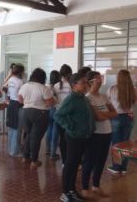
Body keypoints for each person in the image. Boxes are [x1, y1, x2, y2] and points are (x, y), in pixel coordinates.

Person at [55, 73, 95, 202]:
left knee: (75, 164)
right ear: (74, 85)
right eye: (83, 83)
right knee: (70, 165)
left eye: (86, 82)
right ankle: (65, 192)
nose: (86, 85)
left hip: (83, 136)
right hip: (74, 137)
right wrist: (70, 126)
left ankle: (72, 190)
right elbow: (58, 115)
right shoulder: (71, 99)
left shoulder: (82, 98)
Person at [82, 71, 117, 198]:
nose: (100, 81)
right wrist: (107, 115)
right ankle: (85, 188)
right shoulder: (87, 98)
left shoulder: (103, 96)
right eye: (98, 79)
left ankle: (96, 186)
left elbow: (115, 113)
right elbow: (98, 117)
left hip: (107, 132)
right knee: (90, 161)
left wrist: (105, 115)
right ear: (90, 81)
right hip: (95, 134)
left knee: (101, 160)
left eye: (101, 78)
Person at [19, 68, 55, 168]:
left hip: (25, 112)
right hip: (40, 113)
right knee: (36, 138)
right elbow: (49, 102)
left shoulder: (24, 86)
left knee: (29, 135)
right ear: (43, 77)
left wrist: (29, 102)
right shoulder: (43, 88)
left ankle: (25, 157)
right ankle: (34, 160)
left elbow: (20, 100)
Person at [107, 69, 137, 174]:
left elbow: (108, 103)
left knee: (116, 143)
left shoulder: (112, 89)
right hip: (128, 118)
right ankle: (124, 168)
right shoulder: (132, 90)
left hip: (115, 117)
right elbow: (134, 101)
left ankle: (116, 167)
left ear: (118, 78)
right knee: (125, 143)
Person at [53, 64, 73, 164]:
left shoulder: (56, 86)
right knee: (71, 138)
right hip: (70, 115)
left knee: (62, 138)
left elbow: (54, 100)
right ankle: (71, 160)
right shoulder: (72, 85)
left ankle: (64, 161)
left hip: (59, 114)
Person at [6, 64, 25, 157]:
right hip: (18, 104)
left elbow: (7, 91)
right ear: (21, 72)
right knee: (17, 128)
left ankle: (11, 149)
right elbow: (21, 97)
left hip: (11, 104)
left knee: (11, 128)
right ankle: (15, 151)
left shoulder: (10, 80)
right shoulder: (20, 82)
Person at [45, 70, 60, 159]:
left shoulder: (47, 86)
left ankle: (48, 149)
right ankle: (53, 153)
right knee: (55, 130)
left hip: (48, 109)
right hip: (56, 109)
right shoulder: (58, 86)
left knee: (49, 129)